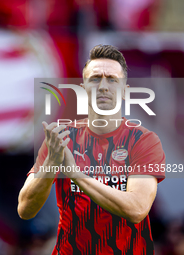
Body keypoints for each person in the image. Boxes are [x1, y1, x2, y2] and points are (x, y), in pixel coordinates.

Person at [18, 44, 166, 255]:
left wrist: (76, 175)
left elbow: (136, 209)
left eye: (112, 80)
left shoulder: (143, 140)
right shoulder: (61, 139)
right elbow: (25, 209)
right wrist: (51, 165)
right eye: (95, 78)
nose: (103, 86)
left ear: (124, 91)